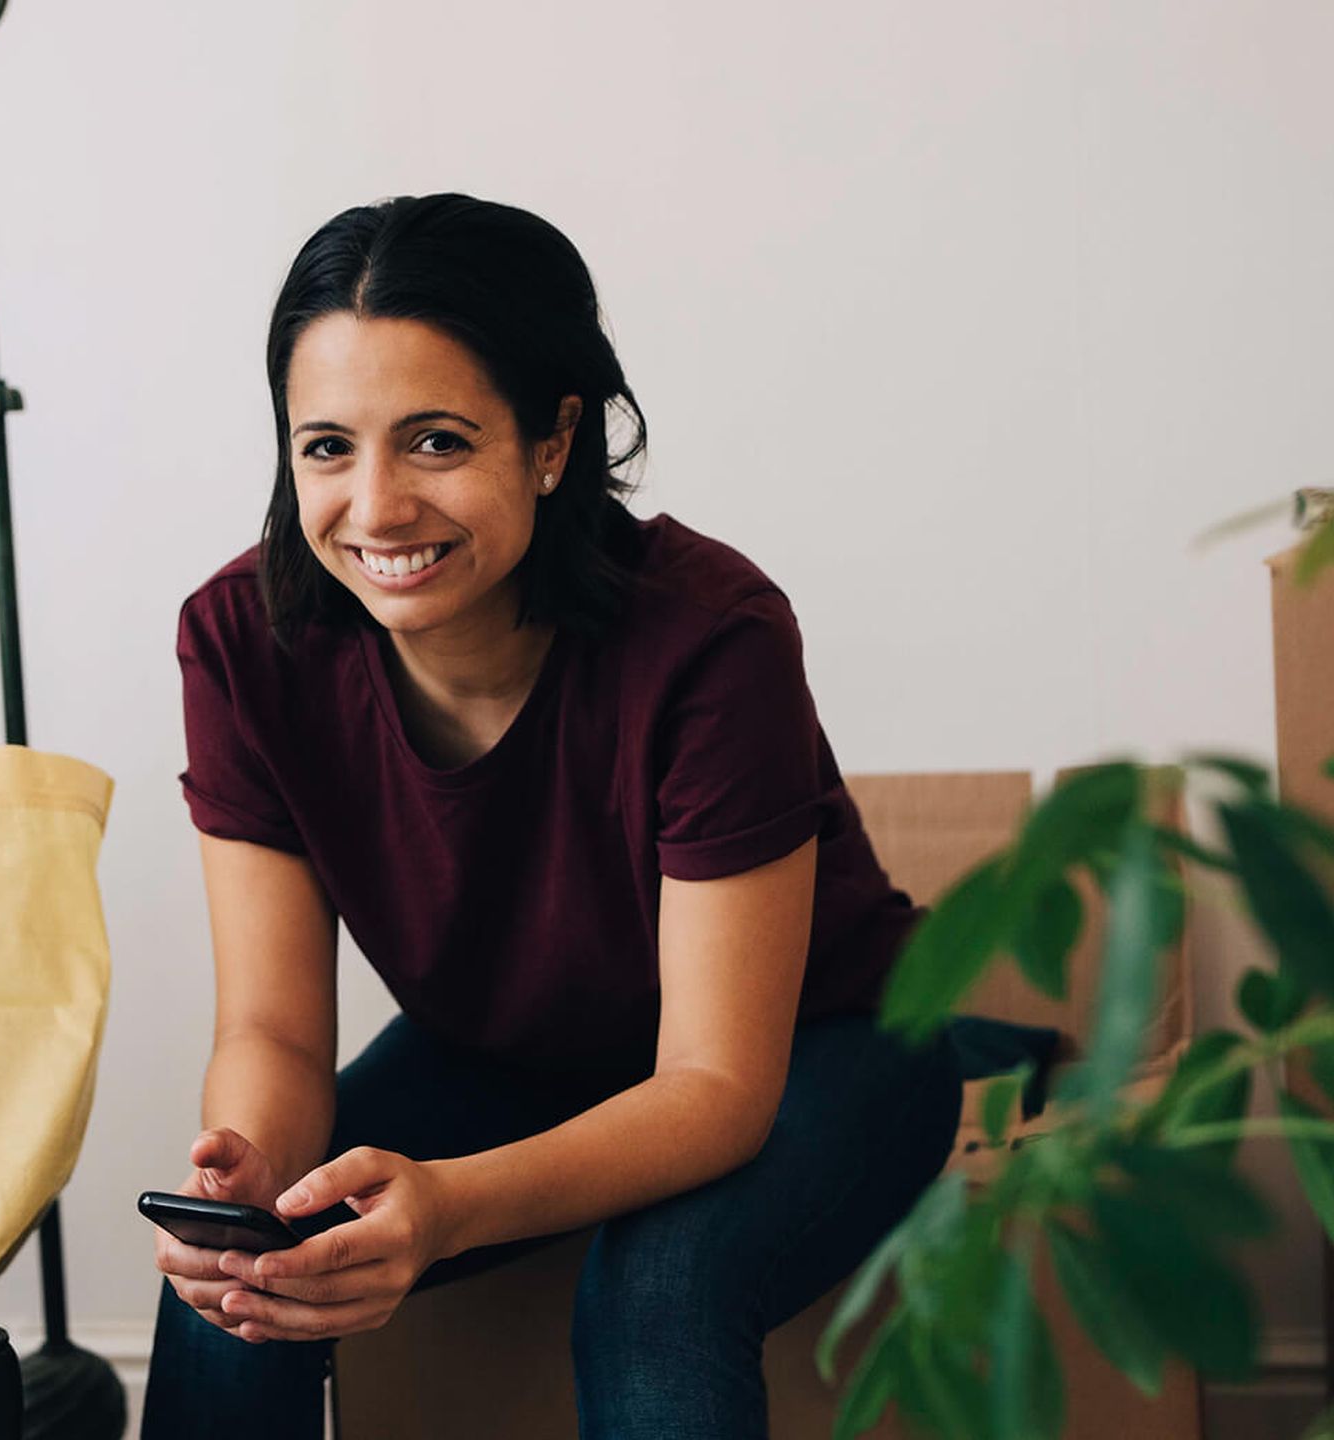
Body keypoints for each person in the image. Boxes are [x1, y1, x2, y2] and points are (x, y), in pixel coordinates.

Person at [141, 192, 962, 1439]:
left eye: (435, 442)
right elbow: (272, 1029)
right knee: (250, 1273)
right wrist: (254, 1168)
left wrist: (449, 1208)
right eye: (327, 447)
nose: (376, 508)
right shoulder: (243, 642)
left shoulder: (712, 638)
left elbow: (713, 1083)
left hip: (824, 1046)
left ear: (553, 440)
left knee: (655, 1296)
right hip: (508, 1056)